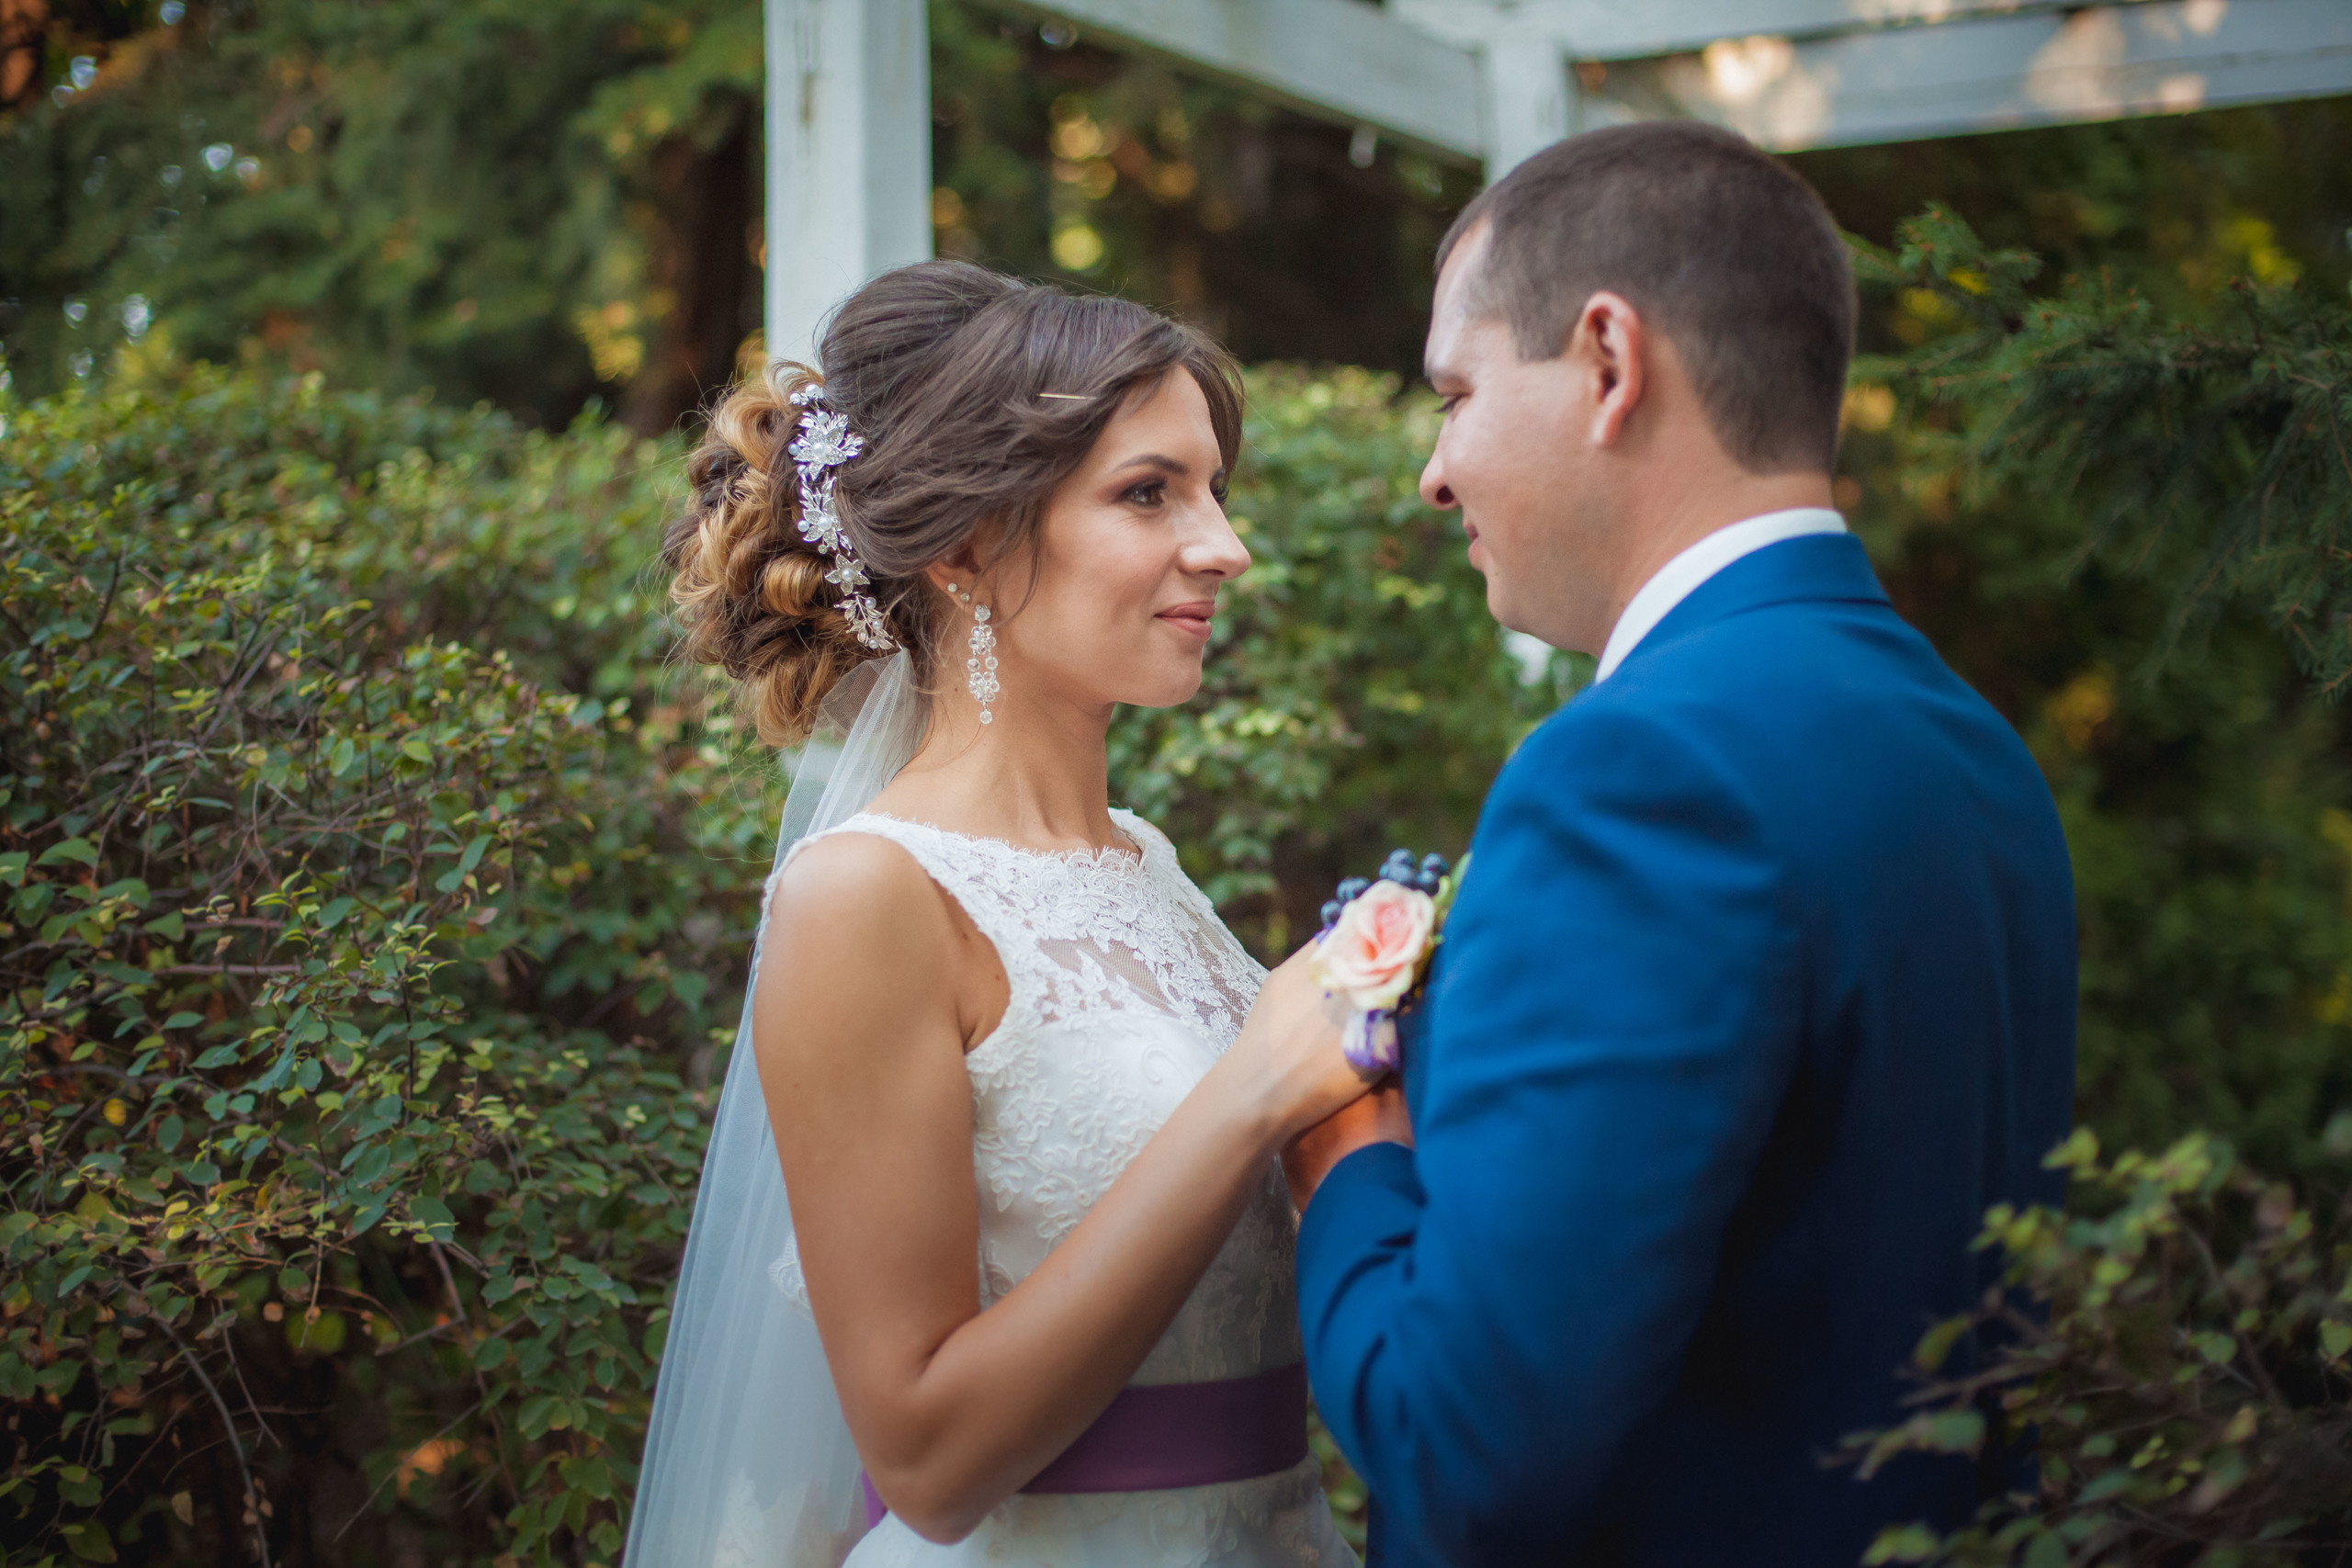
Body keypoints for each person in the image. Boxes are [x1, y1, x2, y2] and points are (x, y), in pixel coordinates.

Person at [1283, 122, 2078, 1565]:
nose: (1433, 475)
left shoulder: (1635, 773)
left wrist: (1341, 1139)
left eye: (1456, 396)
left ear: (1608, 361)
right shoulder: (1972, 749)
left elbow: (1462, 1451)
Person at [624, 259, 1365, 1568]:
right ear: (966, 547)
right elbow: (925, 1459)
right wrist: (1253, 1090)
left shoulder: (1144, 866)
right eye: (1150, 493)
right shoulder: (866, 896)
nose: (1225, 547)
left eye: (1214, 490)